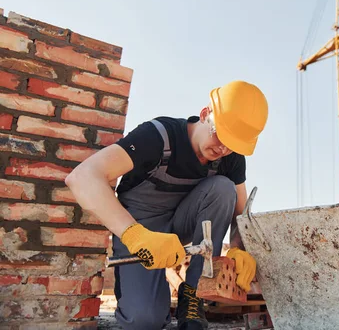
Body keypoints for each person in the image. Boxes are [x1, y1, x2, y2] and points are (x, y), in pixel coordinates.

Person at [65, 80, 269, 330]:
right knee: (144, 321)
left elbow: (240, 214)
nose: (223, 148)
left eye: (232, 144)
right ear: (205, 114)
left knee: (224, 188)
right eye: (221, 135)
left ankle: (192, 294)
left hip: (181, 223)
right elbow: (82, 177)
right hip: (140, 228)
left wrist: (238, 249)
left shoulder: (230, 157)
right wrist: (136, 236)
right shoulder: (157, 136)